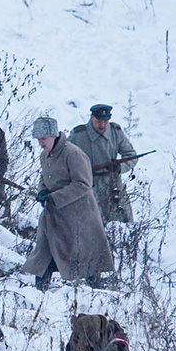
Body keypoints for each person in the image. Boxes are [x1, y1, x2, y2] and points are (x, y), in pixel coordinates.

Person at [21, 116, 114, 290]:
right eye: (38, 139)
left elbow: (83, 184)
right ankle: (40, 295)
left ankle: (100, 296)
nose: (41, 142)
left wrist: (55, 197)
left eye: (43, 138)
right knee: (44, 256)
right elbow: (44, 177)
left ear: (54, 136)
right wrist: (42, 190)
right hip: (54, 217)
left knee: (87, 260)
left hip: (79, 217)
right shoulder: (45, 155)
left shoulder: (73, 153)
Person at [69, 103, 139, 224]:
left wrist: (119, 168)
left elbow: (131, 156)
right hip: (89, 188)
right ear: (92, 118)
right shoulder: (78, 136)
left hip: (113, 187)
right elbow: (64, 159)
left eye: (106, 121)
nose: (103, 125)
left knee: (123, 224)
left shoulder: (116, 133)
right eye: (99, 121)